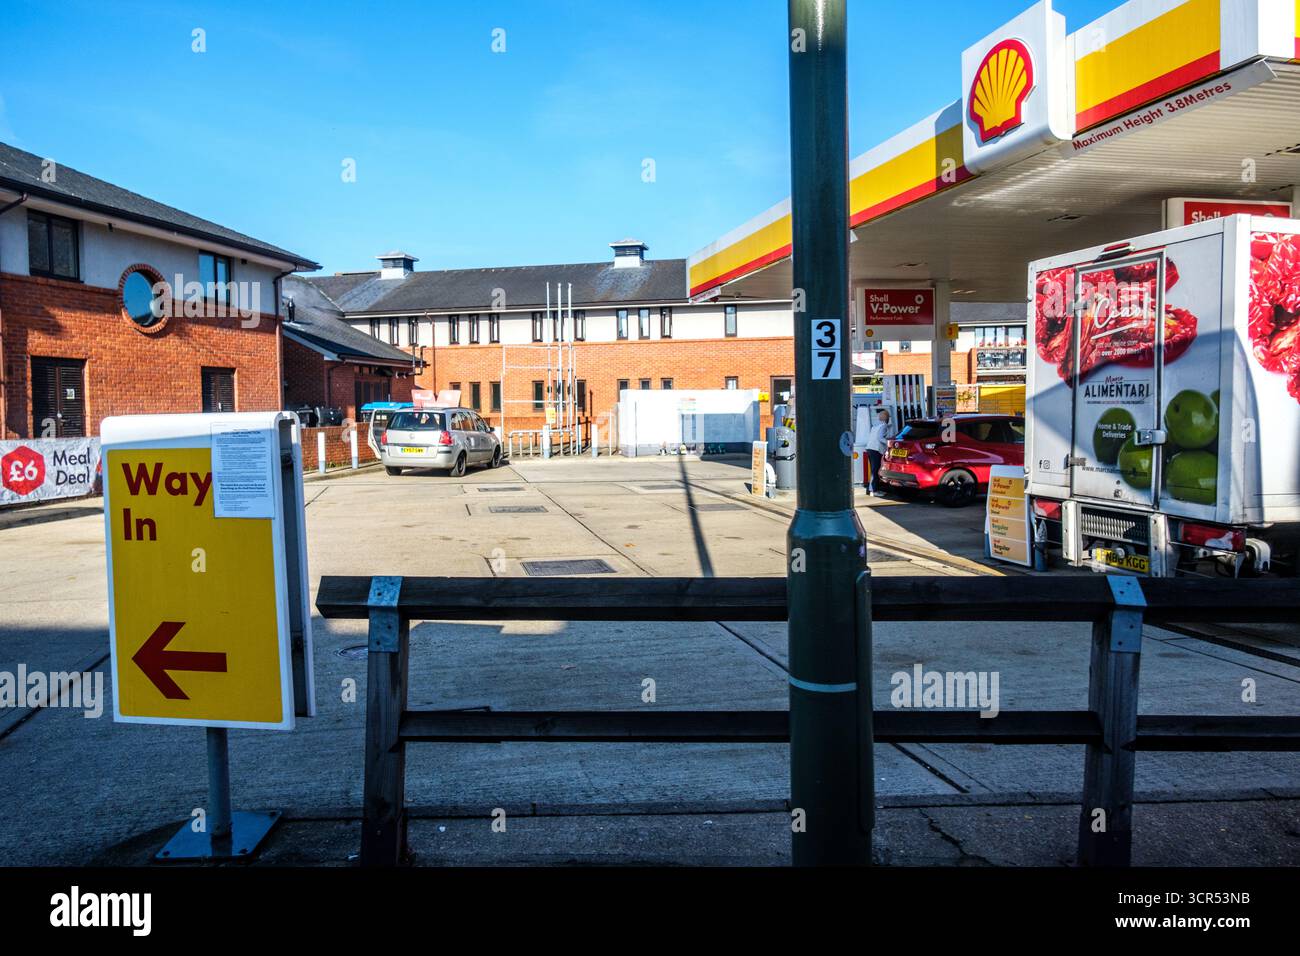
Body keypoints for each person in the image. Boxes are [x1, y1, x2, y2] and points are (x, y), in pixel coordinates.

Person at [865, 408, 893, 497]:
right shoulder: (883, 426)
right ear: (886, 418)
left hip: (870, 448)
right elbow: (880, 438)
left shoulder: (875, 426)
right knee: (875, 470)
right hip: (875, 450)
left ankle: (870, 489)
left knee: (873, 470)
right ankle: (874, 490)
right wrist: (889, 443)